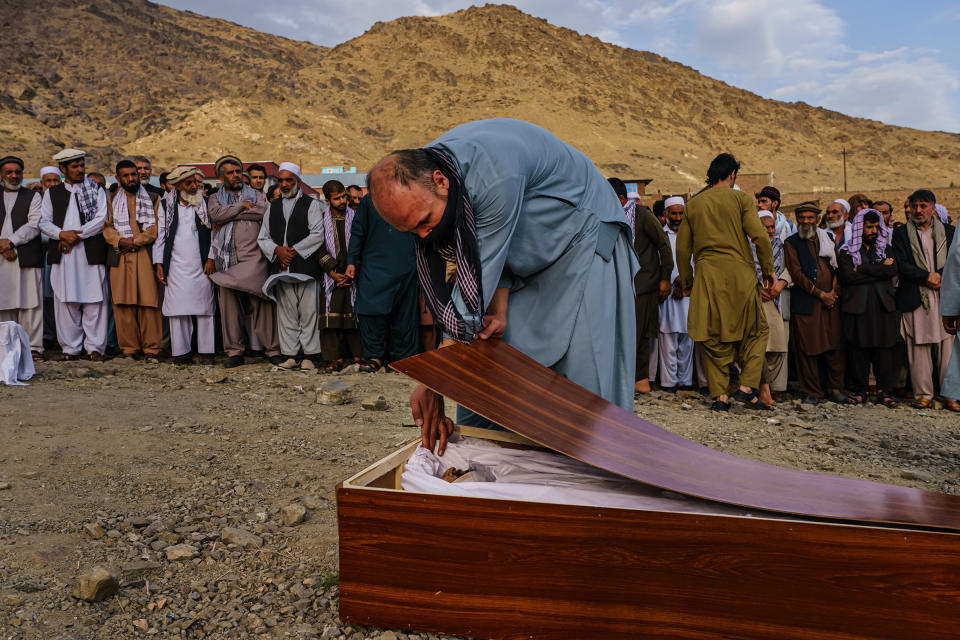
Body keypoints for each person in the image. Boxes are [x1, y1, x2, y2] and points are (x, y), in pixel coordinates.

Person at [369, 119, 638, 454]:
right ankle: (493, 457)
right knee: (493, 353)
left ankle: (597, 472)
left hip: (584, 239)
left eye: (424, 221)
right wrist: (498, 309)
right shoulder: (439, 174)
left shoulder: (492, 173)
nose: (425, 237)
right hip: (527, 256)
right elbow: (482, 267)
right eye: (413, 231)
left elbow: (471, 288)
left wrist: (433, 380)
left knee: (585, 374)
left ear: (440, 182)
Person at [676, 153, 773, 411]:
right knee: (756, 331)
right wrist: (768, 270)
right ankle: (746, 386)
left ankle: (720, 396)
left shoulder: (693, 205)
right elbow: (760, 238)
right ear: (732, 175)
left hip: (707, 277)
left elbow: (683, 251)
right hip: (740, 275)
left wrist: (687, 280)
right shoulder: (740, 199)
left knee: (712, 335)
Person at [207, 154, 282, 368]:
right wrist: (241, 206)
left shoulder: (257, 195)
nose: (236, 175)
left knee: (262, 302)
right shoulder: (215, 197)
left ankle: (273, 350)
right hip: (226, 260)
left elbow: (264, 213)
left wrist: (229, 214)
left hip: (254, 257)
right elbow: (216, 216)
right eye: (230, 173)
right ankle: (234, 352)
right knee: (229, 308)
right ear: (222, 178)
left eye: (238, 171)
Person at [38, 149, 109, 361]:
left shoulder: (95, 189)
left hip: (89, 252)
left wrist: (75, 236)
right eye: (75, 166)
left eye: (81, 165)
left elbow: (100, 218)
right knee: (65, 300)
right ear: (63, 169)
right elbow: (43, 222)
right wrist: (60, 234)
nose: (80, 170)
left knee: (95, 300)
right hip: (64, 255)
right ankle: (70, 349)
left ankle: (95, 348)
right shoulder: (52, 193)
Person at [257, 162, 325, 370]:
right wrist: (278, 251)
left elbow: (317, 234)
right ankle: (290, 355)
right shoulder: (273, 207)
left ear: (298, 182)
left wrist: (292, 251)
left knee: (309, 313)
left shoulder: (311, 205)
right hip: (283, 269)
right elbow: (263, 237)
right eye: (281, 180)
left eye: (289, 180)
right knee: (286, 313)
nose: (285, 185)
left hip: (305, 268)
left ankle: (310, 356)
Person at [892, 189, 955, 409]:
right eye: (914, 206)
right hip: (915, 295)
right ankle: (923, 394)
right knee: (917, 347)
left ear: (933, 208)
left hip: (944, 295)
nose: (918, 210)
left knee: (948, 348)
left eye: (923, 206)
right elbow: (901, 264)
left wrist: (940, 274)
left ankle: (951, 395)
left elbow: (956, 261)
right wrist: (926, 276)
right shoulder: (900, 234)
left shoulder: (950, 232)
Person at [609, 177, 671, 394]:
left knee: (636, 332)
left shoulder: (642, 215)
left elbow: (663, 245)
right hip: (621, 282)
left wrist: (665, 277)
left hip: (643, 283)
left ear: (621, 198)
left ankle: (634, 381)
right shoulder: (612, 216)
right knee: (633, 332)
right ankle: (639, 381)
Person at [345, 193, 420, 372]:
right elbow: (358, 230)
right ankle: (374, 357)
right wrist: (351, 261)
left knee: (405, 314)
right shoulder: (370, 200)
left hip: (407, 263)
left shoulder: (412, 194)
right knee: (370, 310)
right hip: (374, 264)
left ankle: (404, 360)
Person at [784, 201, 848, 405]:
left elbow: (835, 267)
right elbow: (797, 274)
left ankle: (836, 389)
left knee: (834, 346)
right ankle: (813, 391)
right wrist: (821, 294)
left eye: (810, 218)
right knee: (808, 348)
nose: (805, 222)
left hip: (831, 302)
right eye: (802, 218)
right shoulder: (791, 243)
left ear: (817, 220)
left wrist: (833, 293)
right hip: (807, 303)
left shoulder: (827, 238)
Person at [153, 166, 216, 365]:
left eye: (195, 182)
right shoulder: (165, 206)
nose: (194, 187)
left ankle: (207, 352)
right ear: (178, 186)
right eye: (188, 183)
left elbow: (215, 234)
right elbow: (161, 236)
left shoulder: (205, 203)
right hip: (176, 266)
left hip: (201, 265)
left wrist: (211, 258)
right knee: (177, 310)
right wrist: (159, 263)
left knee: (205, 308)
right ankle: (181, 352)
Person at [837, 209, 899, 408]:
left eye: (875, 227)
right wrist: (878, 270)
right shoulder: (847, 251)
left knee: (885, 350)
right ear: (859, 228)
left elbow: (892, 270)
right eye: (869, 227)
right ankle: (861, 390)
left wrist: (862, 268)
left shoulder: (885, 249)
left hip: (883, 306)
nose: (873, 231)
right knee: (858, 349)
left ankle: (884, 391)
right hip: (857, 306)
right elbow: (848, 277)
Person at [102, 160, 162, 362]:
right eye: (126, 176)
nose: (131, 178)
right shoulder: (112, 198)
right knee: (122, 303)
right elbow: (107, 226)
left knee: (148, 302)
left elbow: (155, 228)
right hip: (120, 255)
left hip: (144, 254)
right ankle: (129, 348)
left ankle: (152, 348)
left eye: (133, 174)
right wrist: (119, 241)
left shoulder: (154, 197)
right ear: (118, 178)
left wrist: (135, 241)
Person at [0, 156, 44, 360]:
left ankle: (33, 347)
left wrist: (11, 242)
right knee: (3, 302)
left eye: (17, 172)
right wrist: (2, 244)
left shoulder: (33, 196)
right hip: (2, 258)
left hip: (24, 255)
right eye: (9, 172)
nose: (14, 176)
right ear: (1, 174)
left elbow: (35, 223)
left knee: (31, 303)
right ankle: (5, 347)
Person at [317, 180, 362, 371]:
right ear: (327, 200)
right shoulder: (320, 220)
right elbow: (317, 247)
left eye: (344, 196)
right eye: (337, 198)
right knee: (331, 319)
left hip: (354, 272)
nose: (343, 201)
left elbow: (362, 243)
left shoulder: (357, 217)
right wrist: (333, 272)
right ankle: (333, 358)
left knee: (354, 317)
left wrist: (353, 269)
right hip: (332, 275)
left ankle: (359, 356)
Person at [657, 196, 696, 391]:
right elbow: (658, 262)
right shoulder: (660, 235)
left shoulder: (693, 235)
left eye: (681, 213)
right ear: (666, 214)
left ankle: (685, 381)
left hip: (689, 294)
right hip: (669, 295)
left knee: (687, 341)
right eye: (674, 213)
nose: (678, 217)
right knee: (669, 339)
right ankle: (669, 383)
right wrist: (674, 280)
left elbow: (698, 261)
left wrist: (686, 281)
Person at [754, 211, 791, 405]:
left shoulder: (782, 246)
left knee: (778, 348)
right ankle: (763, 390)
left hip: (777, 301)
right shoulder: (747, 247)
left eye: (771, 227)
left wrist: (781, 284)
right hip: (755, 302)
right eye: (764, 227)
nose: (769, 231)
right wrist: (754, 287)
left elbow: (790, 268)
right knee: (758, 348)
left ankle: (766, 386)